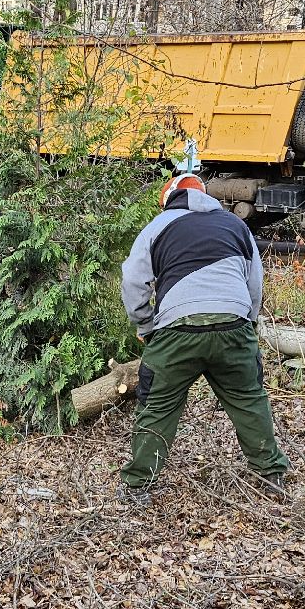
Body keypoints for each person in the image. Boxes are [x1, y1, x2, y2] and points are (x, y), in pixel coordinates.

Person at [117, 172, 290, 501]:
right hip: (234, 324)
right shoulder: (235, 226)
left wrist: (145, 326)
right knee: (249, 400)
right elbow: (255, 282)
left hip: (177, 330)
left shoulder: (158, 226)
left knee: (158, 405)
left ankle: (138, 486)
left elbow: (133, 282)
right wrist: (247, 322)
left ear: (168, 199)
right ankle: (271, 476)